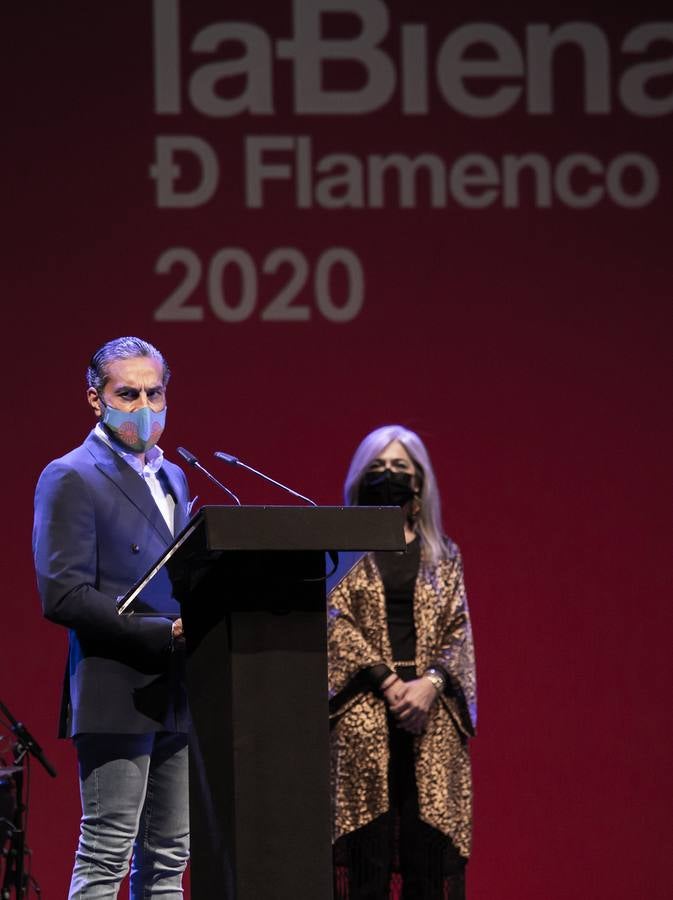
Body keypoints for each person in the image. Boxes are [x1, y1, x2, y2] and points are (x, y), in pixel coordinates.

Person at [32, 337, 191, 898]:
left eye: (154, 392)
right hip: (116, 685)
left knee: (169, 859)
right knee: (107, 852)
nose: (144, 406)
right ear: (96, 400)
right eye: (128, 394)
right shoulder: (71, 475)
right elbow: (64, 594)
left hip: (177, 687)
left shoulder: (174, 477)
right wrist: (157, 632)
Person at [328, 425, 477, 899]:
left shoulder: (443, 555)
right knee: (365, 858)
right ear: (360, 479)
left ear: (419, 482)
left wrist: (430, 683)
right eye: (378, 468)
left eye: (399, 468)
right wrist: (389, 683)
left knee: (427, 854)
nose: (388, 476)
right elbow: (333, 617)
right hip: (362, 715)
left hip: (430, 719)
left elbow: (458, 630)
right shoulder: (340, 550)